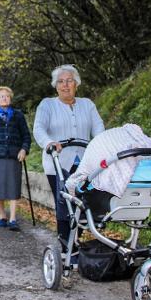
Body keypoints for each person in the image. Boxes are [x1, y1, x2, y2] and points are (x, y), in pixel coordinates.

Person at [33, 65, 105, 248]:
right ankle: (66, 245)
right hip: (58, 162)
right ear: (55, 86)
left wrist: (103, 145)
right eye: (61, 81)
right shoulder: (47, 105)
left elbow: (99, 129)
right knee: (65, 204)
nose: (65, 85)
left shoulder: (87, 104)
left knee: (82, 205)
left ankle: (75, 242)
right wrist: (49, 142)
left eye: (70, 80)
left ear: (77, 84)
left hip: (84, 163)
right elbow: (39, 128)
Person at [0, 86, 31, 231]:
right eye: (1, 96)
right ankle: (2, 215)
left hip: (14, 157)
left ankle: (13, 218)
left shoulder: (18, 115)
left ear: (11, 98)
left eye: (7, 96)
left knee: (14, 187)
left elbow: (26, 136)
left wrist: (24, 149)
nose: (4, 98)